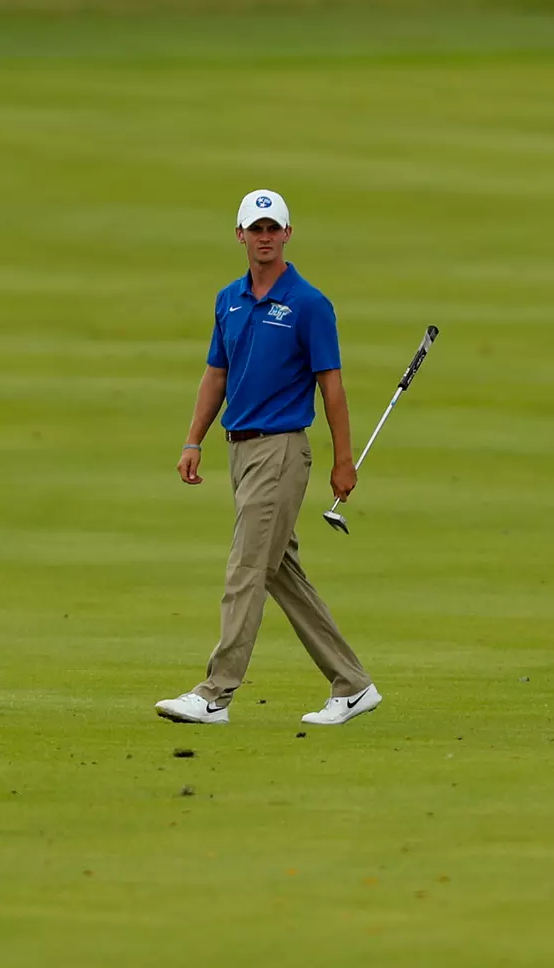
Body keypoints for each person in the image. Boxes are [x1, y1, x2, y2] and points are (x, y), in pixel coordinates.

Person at [155, 190, 381, 727]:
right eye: (254, 228)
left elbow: (333, 388)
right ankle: (353, 685)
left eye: (272, 228)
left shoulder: (308, 304)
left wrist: (342, 460)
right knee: (278, 572)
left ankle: (215, 693)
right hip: (240, 451)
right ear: (239, 235)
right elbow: (217, 374)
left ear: (287, 234)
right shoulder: (228, 299)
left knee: (246, 567)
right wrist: (193, 439)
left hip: (281, 449)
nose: (263, 236)